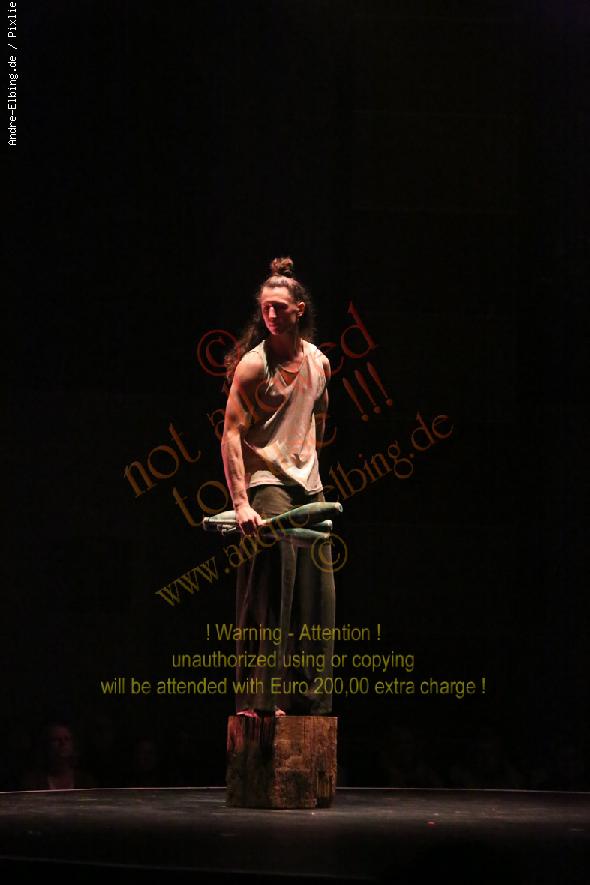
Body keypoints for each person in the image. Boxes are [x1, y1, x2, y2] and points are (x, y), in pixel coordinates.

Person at [221, 256, 335, 718]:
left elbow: (319, 420)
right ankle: (260, 699)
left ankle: (311, 703)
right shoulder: (253, 366)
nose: (271, 314)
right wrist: (241, 501)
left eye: (280, 307)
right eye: (265, 307)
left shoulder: (319, 363)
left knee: (318, 596)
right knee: (270, 592)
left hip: (309, 485)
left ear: (299, 310)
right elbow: (231, 433)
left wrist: (307, 464)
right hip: (267, 483)